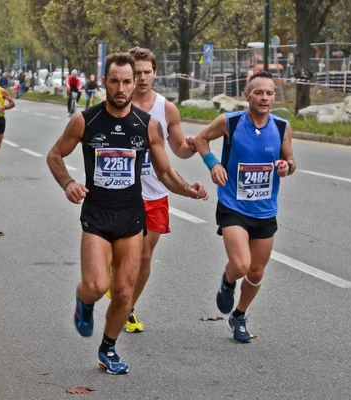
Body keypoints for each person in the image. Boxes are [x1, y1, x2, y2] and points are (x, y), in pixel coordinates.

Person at [46, 52, 208, 375]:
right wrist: (68, 183)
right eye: (114, 81)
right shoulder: (85, 120)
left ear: (136, 84)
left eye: (127, 82)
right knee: (95, 285)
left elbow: (164, 172)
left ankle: (108, 348)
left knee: (122, 292)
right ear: (104, 82)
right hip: (97, 216)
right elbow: (54, 155)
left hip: (131, 218)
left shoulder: (147, 126)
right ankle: (84, 301)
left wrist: (187, 188)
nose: (120, 88)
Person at [186, 70, 296, 343]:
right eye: (258, 92)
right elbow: (201, 139)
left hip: (265, 209)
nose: (265, 98)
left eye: (270, 93)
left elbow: (291, 160)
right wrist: (214, 164)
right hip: (233, 204)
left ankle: (239, 315)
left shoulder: (282, 127)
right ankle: (228, 279)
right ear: (247, 95)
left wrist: (286, 167)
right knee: (242, 264)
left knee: (257, 271)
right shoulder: (230, 122)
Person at [105, 46, 203, 333]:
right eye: (137, 73)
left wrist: (195, 145)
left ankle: (128, 308)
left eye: (148, 72)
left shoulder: (166, 108)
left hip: (155, 193)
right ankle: (118, 288)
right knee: (122, 255)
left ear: (155, 73)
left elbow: (179, 150)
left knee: (145, 256)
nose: (143, 78)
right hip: (122, 193)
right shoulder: (117, 104)